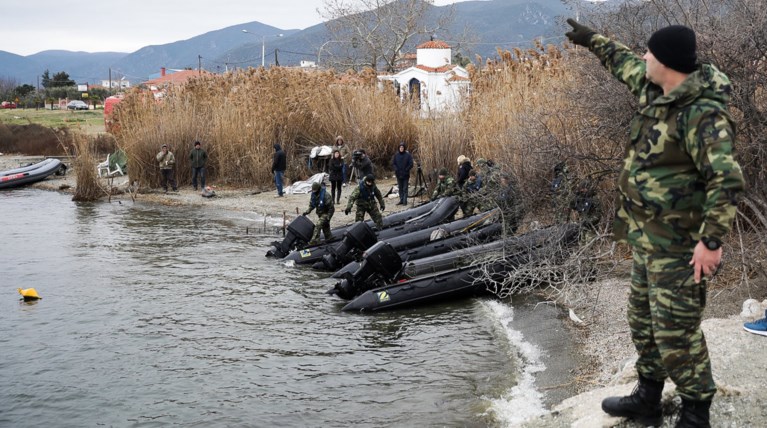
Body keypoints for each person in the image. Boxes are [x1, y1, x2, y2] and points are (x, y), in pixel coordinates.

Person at [566, 19, 745, 427]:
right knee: (642, 321)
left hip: (681, 246)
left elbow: (726, 179)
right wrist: (590, 39)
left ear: (666, 62)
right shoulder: (657, 89)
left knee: (676, 332)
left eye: (650, 52)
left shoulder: (702, 115)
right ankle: (648, 395)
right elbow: (623, 61)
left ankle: (696, 411)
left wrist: (711, 242)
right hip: (648, 239)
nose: (643, 56)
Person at [391, 141, 414, 205]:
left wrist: (406, 169)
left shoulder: (408, 155)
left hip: (405, 174)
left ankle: (404, 201)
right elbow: (393, 163)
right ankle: (401, 200)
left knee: (405, 188)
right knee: (400, 188)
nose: (401, 148)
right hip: (398, 174)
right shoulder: (396, 155)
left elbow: (411, 164)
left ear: (404, 148)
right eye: (400, 147)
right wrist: (396, 169)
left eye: (402, 147)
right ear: (399, 148)